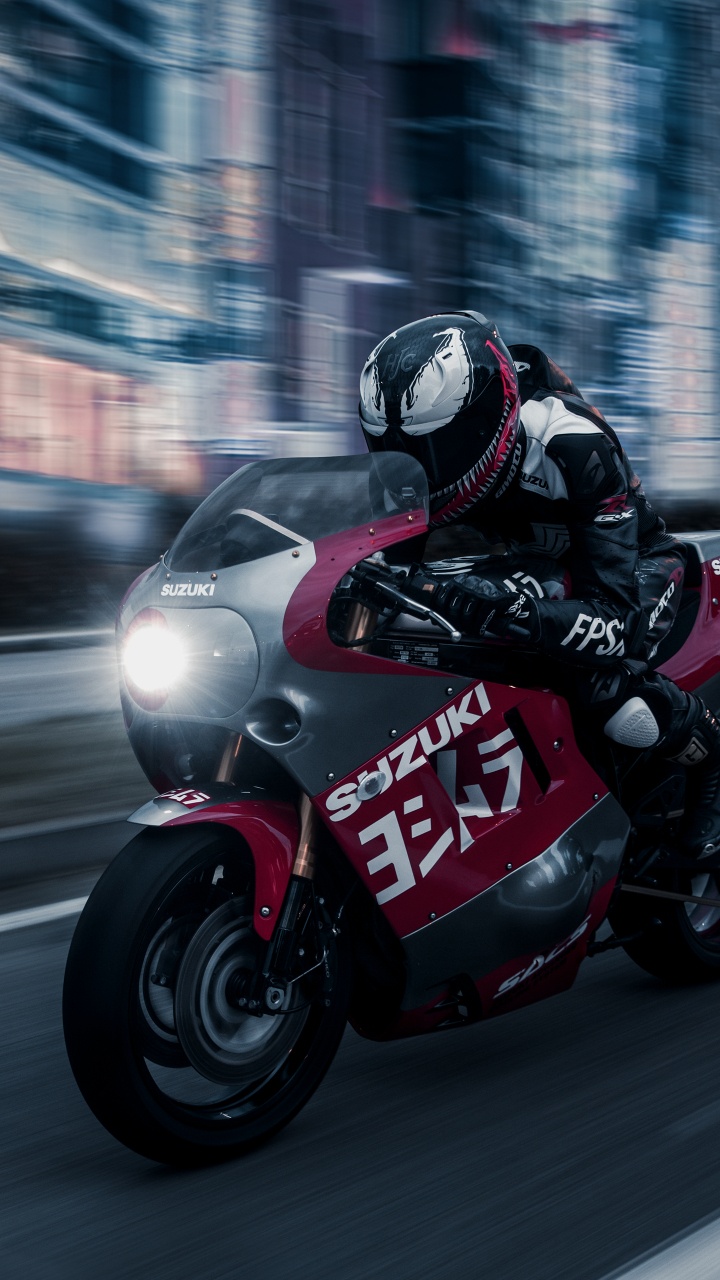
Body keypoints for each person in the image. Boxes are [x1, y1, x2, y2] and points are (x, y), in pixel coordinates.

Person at [358, 310, 720, 856]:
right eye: (398, 454)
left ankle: (712, 758)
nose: (418, 470)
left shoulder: (571, 443)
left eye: (435, 450)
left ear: (488, 416)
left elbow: (616, 620)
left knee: (610, 694)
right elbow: (389, 566)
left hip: (634, 566)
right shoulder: (407, 454)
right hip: (532, 562)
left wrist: (517, 613)